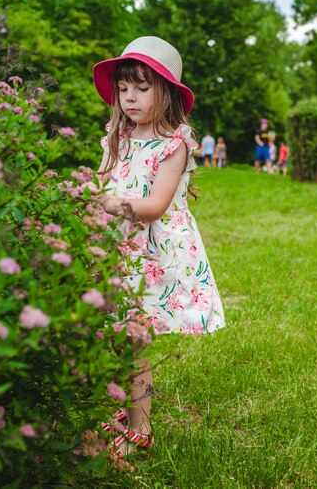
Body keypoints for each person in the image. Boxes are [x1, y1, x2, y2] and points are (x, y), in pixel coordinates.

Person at [93, 36, 225, 456]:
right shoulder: (117, 135)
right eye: (124, 87)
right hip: (116, 248)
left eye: (142, 87)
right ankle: (120, 408)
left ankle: (141, 428)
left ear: (165, 91)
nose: (130, 97)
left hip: (151, 254)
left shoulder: (175, 145)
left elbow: (155, 205)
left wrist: (110, 203)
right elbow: (100, 182)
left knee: (132, 339)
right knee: (108, 334)